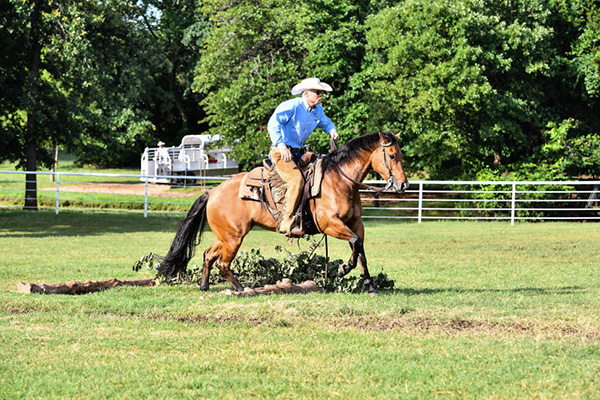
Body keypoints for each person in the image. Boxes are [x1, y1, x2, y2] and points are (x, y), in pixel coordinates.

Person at [267, 77, 339, 236]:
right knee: (297, 180)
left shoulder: (317, 111)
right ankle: (287, 222)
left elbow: (326, 123)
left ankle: (309, 216)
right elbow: (273, 123)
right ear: (306, 94)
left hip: (298, 152)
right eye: (317, 93)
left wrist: (332, 131)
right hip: (281, 152)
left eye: (321, 93)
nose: (320, 96)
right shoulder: (292, 106)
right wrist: (281, 145)